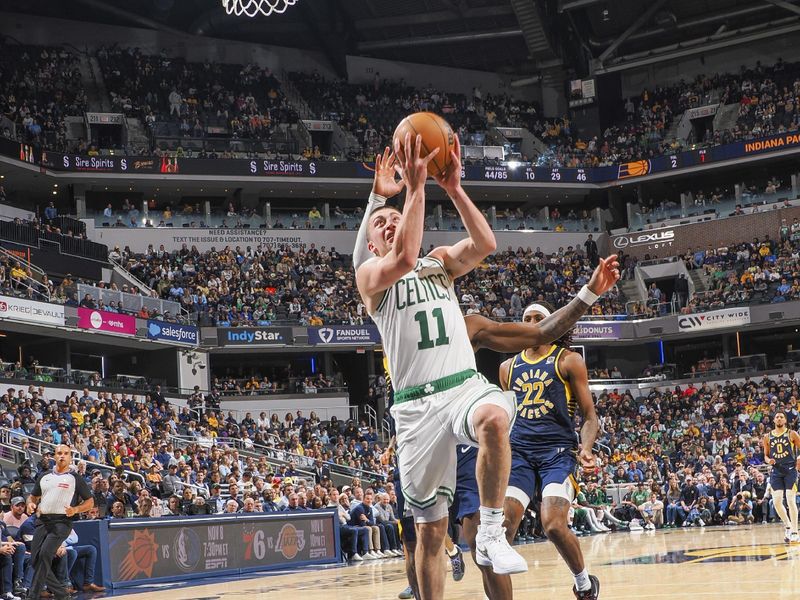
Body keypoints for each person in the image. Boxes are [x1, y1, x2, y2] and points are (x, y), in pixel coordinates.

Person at [355, 134, 529, 598]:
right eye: (381, 225)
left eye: (395, 218)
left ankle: (491, 533)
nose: (390, 224)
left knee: (494, 416)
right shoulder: (370, 279)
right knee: (430, 534)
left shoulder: (439, 263)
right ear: (371, 246)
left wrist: (453, 188)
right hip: (414, 408)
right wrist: (409, 191)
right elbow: (403, 257)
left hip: (460, 387)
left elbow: (486, 243)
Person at [499, 302, 602, 600]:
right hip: (519, 454)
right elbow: (508, 416)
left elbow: (590, 416)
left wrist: (586, 448)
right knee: (502, 530)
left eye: (539, 319)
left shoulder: (568, 361)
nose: (532, 323)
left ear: (553, 324)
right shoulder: (507, 368)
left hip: (557, 453)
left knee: (554, 525)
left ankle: (584, 583)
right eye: (527, 319)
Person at [26, 445, 94, 600]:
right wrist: (30, 503)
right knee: (35, 560)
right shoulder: (44, 476)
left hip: (62, 522)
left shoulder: (75, 478)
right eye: (59, 453)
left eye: (66, 454)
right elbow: (33, 497)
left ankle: (32, 596)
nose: (62, 456)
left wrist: (76, 509)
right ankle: (62, 594)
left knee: (44, 554)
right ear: (54, 456)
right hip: (43, 521)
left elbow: (90, 502)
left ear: (70, 457)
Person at [763, 411, 800, 543]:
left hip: (790, 470)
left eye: (781, 417)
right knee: (777, 502)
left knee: (790, 500)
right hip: (776, 471)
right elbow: (766, 456)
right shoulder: (767, 437)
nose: (779, 419)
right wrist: (768, 461)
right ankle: (788, 526)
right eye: (777, 417)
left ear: (785, 420)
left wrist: (799, 459)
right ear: (774, 420)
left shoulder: (792, 433)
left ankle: (795, 531)